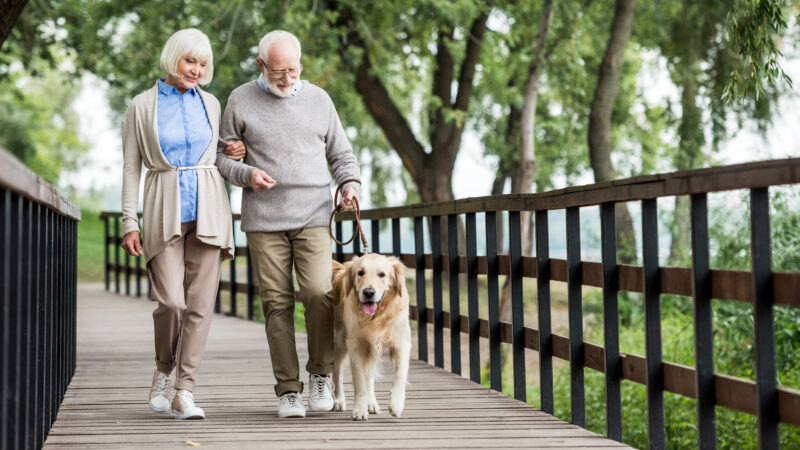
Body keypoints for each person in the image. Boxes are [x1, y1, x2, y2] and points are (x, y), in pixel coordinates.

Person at [215, 30, 361, 418]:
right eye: (278, 71)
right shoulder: (241, 99)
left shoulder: (319, 99)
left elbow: (341, 154)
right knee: (276, 302)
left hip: (313, 213)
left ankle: (320, 374)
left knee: (318, 292)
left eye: (293, 70)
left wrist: (349, 185)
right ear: (262, 65)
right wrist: (247, 174)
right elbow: (220, 157)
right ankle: (287, 391)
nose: (286, 79)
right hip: (264, 219)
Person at [120, 28, 246, 420]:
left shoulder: (211, 102)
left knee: (200, 306)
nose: (196, 69)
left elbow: (221, 151)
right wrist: (129, 220)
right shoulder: (142, 106)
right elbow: (130, 168)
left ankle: (184, 390)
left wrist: (237, 150)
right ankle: (162, 370)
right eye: (190, 60)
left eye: (203, 63)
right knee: (172, 302)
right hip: (163, 208)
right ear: (173, 57)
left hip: (210, 206)